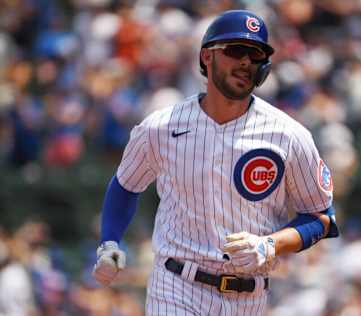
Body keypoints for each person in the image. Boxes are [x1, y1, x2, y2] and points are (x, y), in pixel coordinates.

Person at [92, 9, 339, 316]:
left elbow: (322, 218)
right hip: (177, 285)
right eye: (236, 50)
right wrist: (110, 242)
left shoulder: (289, 135)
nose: (247, 61)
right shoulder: (161, 127)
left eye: (256, 54)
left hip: (250, 297)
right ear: (207, 57)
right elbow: (126, 185)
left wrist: (271, 244)